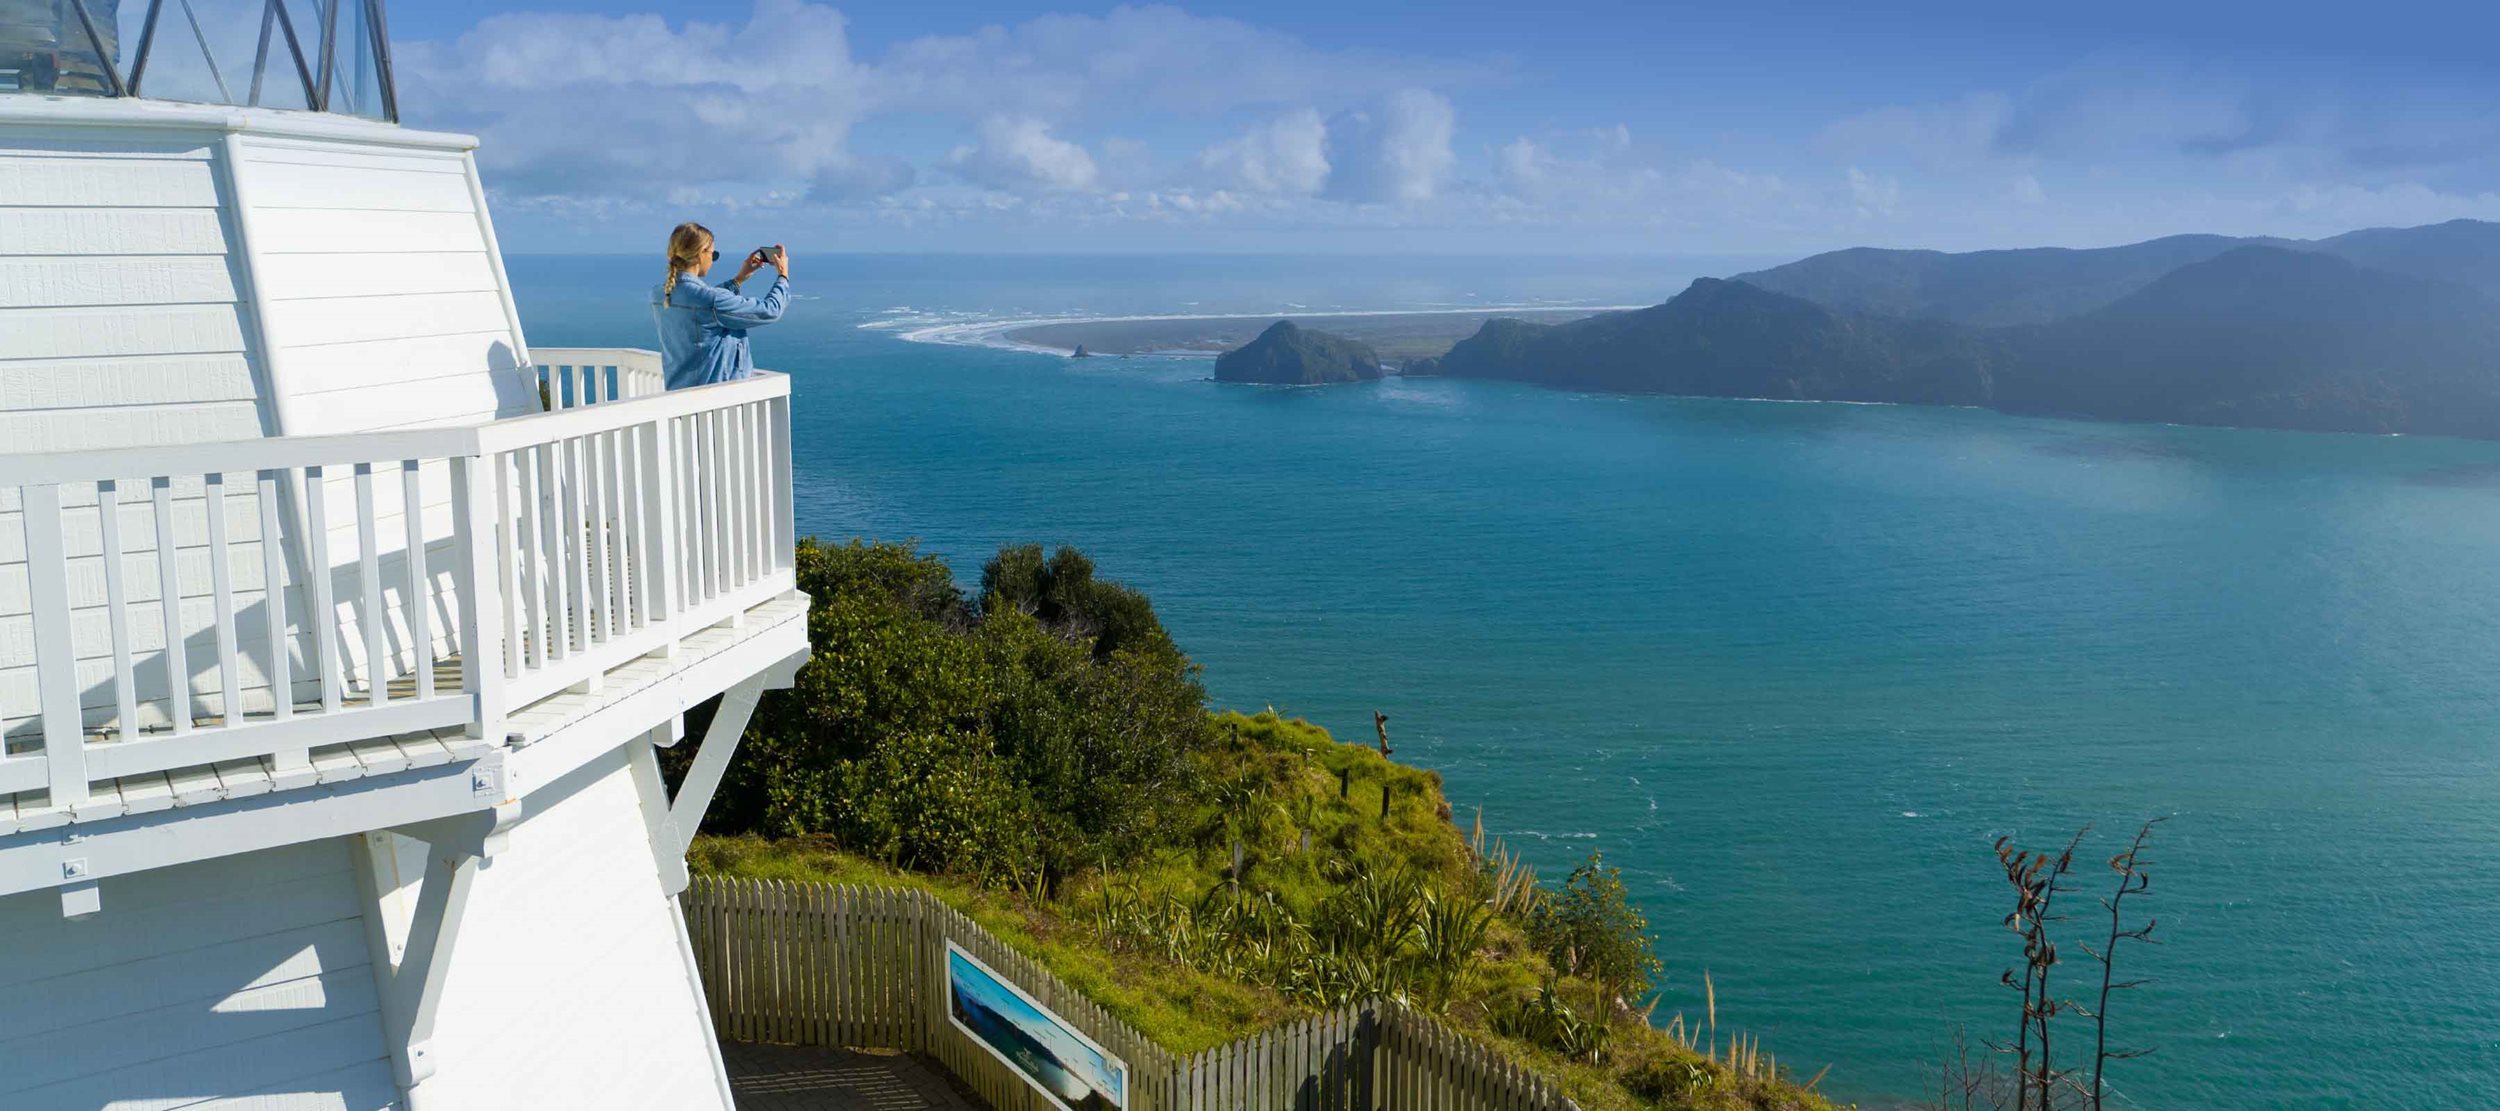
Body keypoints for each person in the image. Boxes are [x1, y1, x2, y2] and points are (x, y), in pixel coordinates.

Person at [651, 222, 790, 389]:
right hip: (716, 403)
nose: (712, 259)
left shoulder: (660, 294)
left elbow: (703, 305)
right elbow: (770, 310)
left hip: (680, 398)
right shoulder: (711, 301)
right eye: (713, 254)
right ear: (700, 254)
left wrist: (739, 279)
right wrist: (783, 276)